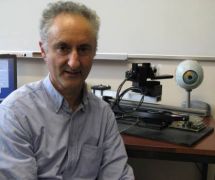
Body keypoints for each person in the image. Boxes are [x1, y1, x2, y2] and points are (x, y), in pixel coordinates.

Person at [0, 1, 134, 180]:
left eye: (84, 49)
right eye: (63, 48)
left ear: (94, 51)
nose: (74, 62)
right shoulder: (16, 113)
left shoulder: (103, 115)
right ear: (44, 51)